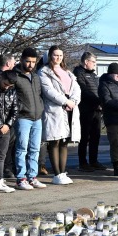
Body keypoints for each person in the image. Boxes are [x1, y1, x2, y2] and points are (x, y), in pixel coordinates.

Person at [38, 46, 81, 185]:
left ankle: (63, 172)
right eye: (55, 55)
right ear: (50, 56)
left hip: (69, 109)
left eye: (60, 55)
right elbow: (49, 91)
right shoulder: (44, 72)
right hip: (55, 110)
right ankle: (56, 173)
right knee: (55, 141)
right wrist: (65, 101)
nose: (58, 58)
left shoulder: (67, 72)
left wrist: (73, 101)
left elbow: (76, 88)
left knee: (64, 141)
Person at [10, 47, 46, 189]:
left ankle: (32, 177)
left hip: (37, 117)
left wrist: (41, 108)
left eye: (33, 62)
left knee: (35, 148)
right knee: (22, 148)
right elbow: (11, 98)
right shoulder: (15, 76)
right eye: (28, 61)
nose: (30, 65)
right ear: (21, 60)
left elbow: (39, 95)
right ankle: (21, 178)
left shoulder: (36, 77)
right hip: (23, 117)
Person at [74, 51, 104, 171]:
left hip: (97, 109)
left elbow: (98, 90)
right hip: (85, 109)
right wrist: (98, 100)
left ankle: (93, 160)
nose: (95, 65)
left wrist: (101, 101)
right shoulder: (78, 73)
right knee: (84, 137)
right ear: (86, 62)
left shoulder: (94, 75)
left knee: (95, 136)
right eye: (93, 62)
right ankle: (83, 162)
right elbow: (84, 90)